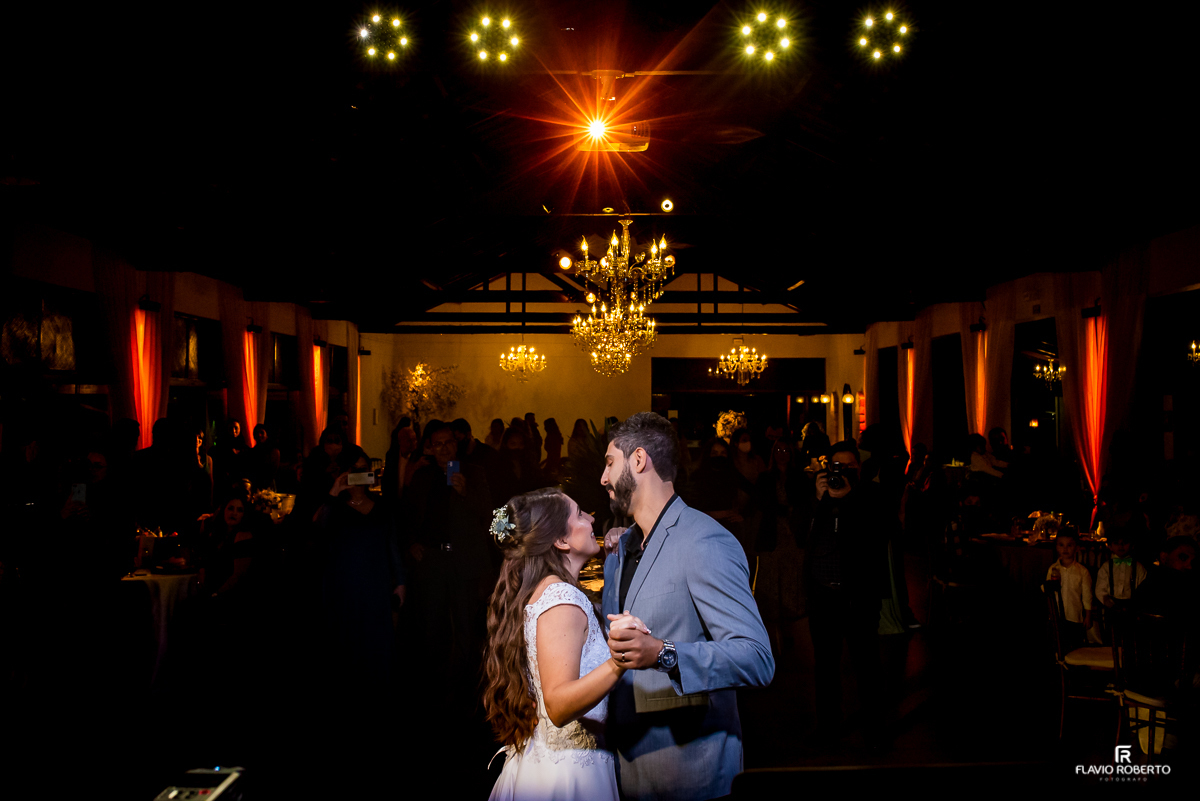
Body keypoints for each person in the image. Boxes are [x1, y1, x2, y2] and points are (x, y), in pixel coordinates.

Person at [600, 412, 774, 800]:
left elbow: (757, 658)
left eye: (610, 463)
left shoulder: (705, 540)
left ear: (639, 460)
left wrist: (664, 654)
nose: (603, 478)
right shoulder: (621, 548)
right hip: (624, 769)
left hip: (688, 772)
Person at [484, 488, 647, 801]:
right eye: (580, 513)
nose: (591, 518)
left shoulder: (549, 592)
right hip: (570, 776)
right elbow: (558, 706)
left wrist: (617, 557)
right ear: (561, 541)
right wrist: (619, 660)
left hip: (545, 765)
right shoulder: (562, 599)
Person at [804, 440, 895, 743]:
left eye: (849, 467)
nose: (841, 473)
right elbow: (802, 535)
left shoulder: (873, 495)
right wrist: (819, 501)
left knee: (867, 664)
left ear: (859, 468)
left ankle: (875, 726)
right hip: (823, 595)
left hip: (859, 595)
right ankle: (828, 725)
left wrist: (851, 498)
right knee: (826, 666)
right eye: (836, 467)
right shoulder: (818, 495)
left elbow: (884, 532)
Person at [315, 446, 406, 686]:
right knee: (347, 645)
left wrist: (400, 581)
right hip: (343, 587)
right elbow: (319, 530)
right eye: (353, 470)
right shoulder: (334, 508)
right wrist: (334, 492)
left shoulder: (382, 506)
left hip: (376, 585)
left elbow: (392, 545)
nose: (359, 475)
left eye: (363, 470)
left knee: (377, 646)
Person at [1045, 531, 1095, 647]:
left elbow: (1087, 595)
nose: (1065, 549)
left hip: (1075, 616)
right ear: (1056, 546)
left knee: (1074, 644)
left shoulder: (1082, 571)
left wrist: (1088, 615)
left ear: (1076, 548)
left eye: (1069, 545)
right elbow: (1048, 592)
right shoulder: (1053, 569)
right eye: (1061, 545)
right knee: (1057, 644)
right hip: (1056, 616)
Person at [1095, 527, 1148, 610]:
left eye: (1125, 542)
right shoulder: (1106, 567)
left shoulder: (1138, 568)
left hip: (1132, 606)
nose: (1121, 546)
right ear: (1110, 546)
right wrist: (1108, 603)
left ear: (1132, 545)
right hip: (1111, 606)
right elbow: (1100, 589)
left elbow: (1143, 588)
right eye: (1116, 543)